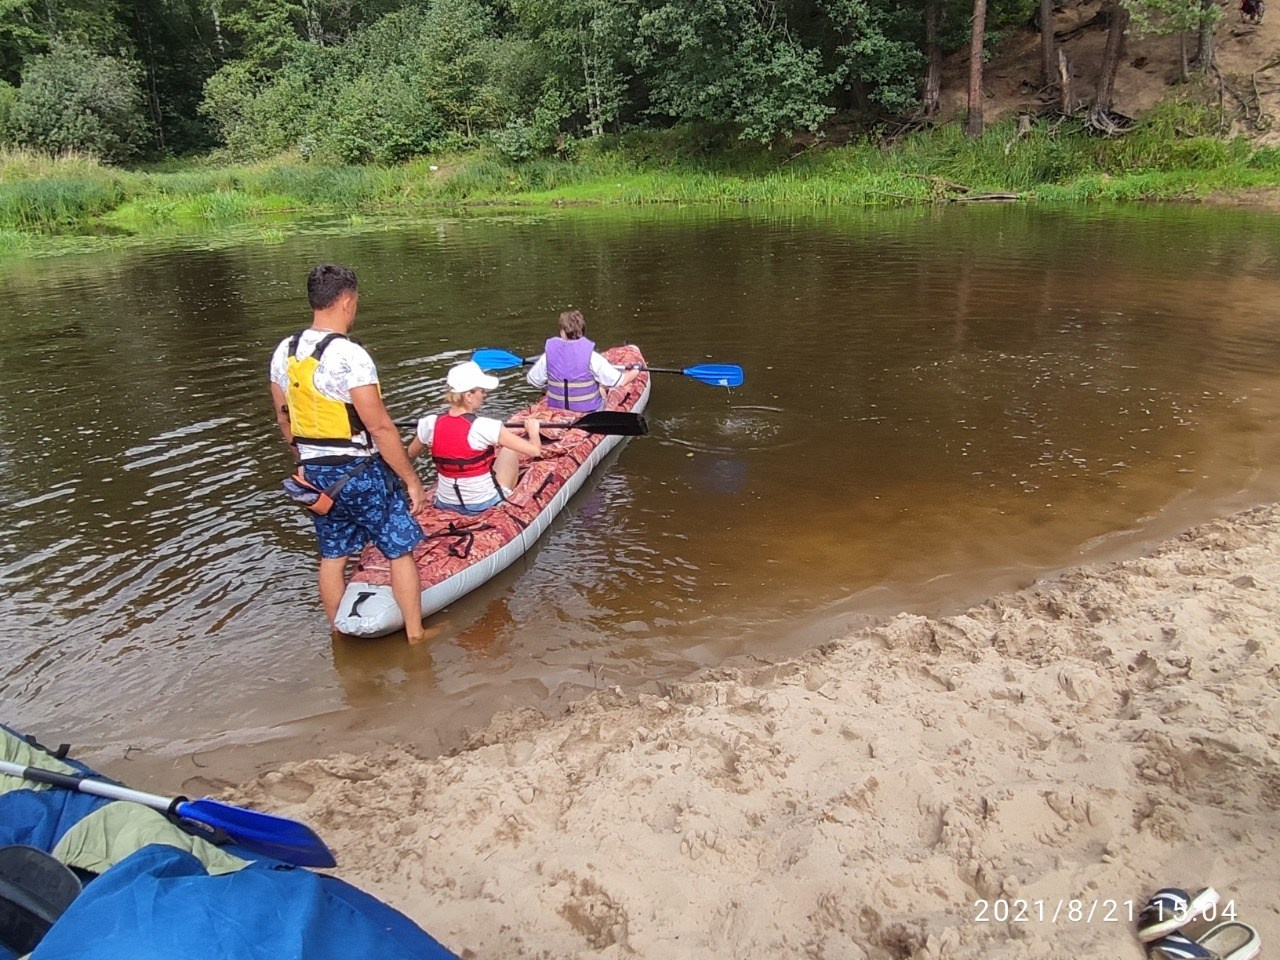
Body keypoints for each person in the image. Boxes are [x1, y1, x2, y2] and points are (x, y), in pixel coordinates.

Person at [269, 264, 429, 642]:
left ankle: (339, 636)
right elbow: (380, 427)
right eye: (355, 302)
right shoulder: (349, 355)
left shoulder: (284, 351)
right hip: (360, 470)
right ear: (345, 301)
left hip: (316, 473)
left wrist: (303, 465)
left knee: (333, 554)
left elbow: (283, 418)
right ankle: (416, 636)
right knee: (399, 548)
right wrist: (411, 480)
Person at [407, 360, 543, 514]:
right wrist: (533, 431)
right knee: (508, 450)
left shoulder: (429, 423)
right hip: (483, 503)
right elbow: (535, 451)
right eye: (481, 391)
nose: (484, 395)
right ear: (469, 396)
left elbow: (411, 453)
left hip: (444, 502)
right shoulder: (485, 426)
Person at [525, 309, 639, 412]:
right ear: (582, 331)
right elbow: (621, 381)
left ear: (563, 332)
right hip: (588, 412)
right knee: (602, 389)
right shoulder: (593, 357)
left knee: (550, 392)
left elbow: (533, 380)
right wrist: (636, 370)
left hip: (556, 409)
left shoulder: (547, 356)